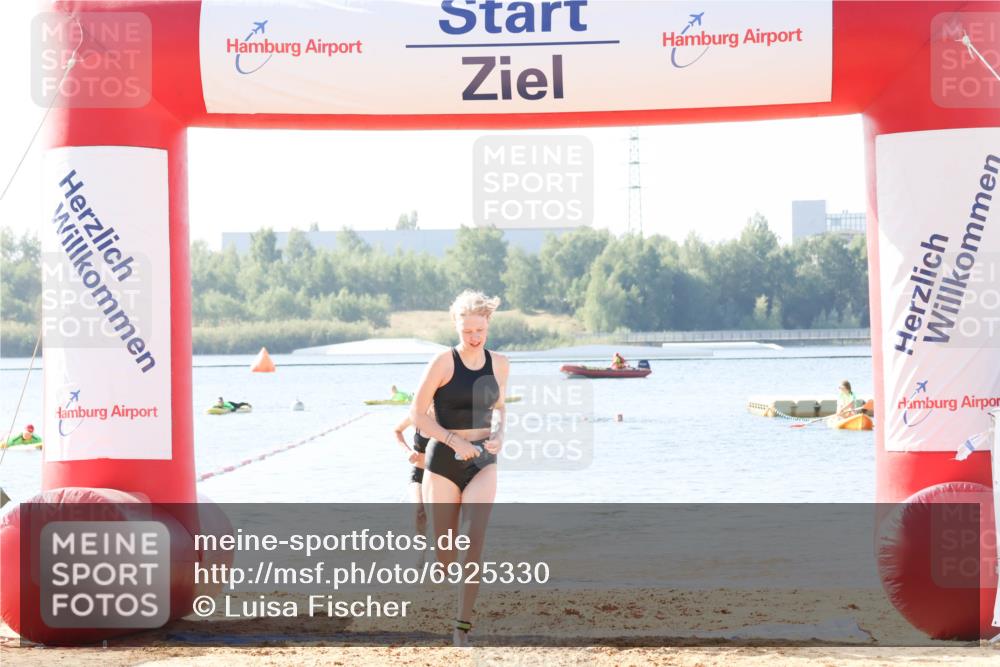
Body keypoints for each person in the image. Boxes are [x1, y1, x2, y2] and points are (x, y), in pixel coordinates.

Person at [410, 290, 509, 647]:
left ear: (488, 325)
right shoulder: (442, 362)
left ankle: (461, 627)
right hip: (443, 462)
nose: (474, 337)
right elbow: (416, 415)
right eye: (467, 331)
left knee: (474, 540)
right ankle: (437, 558)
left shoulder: (499, 363)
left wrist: (499, 435)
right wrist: (455, 442)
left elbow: (501, 409)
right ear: (457, 326)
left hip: (483, 461)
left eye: (479, 330)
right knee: (446, 552)